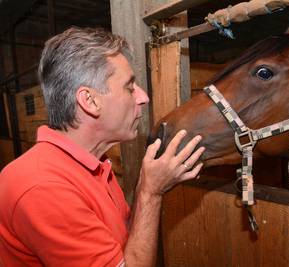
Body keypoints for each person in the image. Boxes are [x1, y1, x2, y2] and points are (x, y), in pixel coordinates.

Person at [0, 27, 205, 266]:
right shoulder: (43, 188)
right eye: (129, 87)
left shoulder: (91, 163)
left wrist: (144, 188)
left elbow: (121, 245)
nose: (143, 97)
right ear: (90, 101)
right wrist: (151, 194)